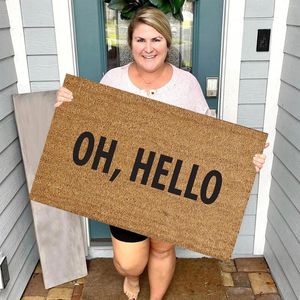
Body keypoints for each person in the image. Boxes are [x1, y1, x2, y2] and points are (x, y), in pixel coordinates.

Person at [56, 7, 267, 300]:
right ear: (130, 45)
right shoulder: (113, 80)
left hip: (169, 184)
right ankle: (132, 277)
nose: (148, 48)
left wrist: (242, 160)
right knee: (130, 262)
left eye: (156, 39)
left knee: (163, 247)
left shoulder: (186, 84)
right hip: (124, 186)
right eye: (141, 40)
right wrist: (68, 108)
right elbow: (90, 128)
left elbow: (209, 137)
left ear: (167, 43)